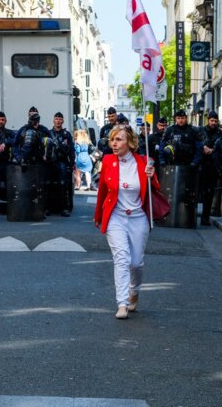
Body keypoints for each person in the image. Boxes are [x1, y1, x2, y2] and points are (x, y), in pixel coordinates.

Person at [94, 125, 159, 320]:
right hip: (116, 216)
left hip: (138, 217)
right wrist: (98, 215)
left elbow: (155, 187)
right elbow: (102, 192)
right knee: (121, 258)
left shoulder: (144, 162)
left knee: (136, 263)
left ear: (130, 143)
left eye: (119, 139)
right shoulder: (107, 161)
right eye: (113, 139)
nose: (114, 143)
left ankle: (134, 291)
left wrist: (151, 175)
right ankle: (122, 303)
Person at [49, 112, 76, 216]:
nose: (58, 121)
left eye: (60, 119)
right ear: (53, 120)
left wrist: (72, 163)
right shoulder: (49, 133)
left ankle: (65, 208)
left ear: (63, 121)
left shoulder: (66, 134)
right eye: (56, 119)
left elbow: (71, 150)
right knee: (48, 184)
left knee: (63, 184)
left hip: (62, 161)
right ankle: (48, 208)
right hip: (51, 162)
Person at [199, 111, 222, 226]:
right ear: (208, 120)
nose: (213, 123)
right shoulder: (201, 131)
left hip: (213, 166)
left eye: (215, 121)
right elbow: (196, 143)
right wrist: (203, 147)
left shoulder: (220, 133)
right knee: (199, 191)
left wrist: (213, 151)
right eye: (211, 120)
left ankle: (205, 217)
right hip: (201, 165)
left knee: (209, 193)